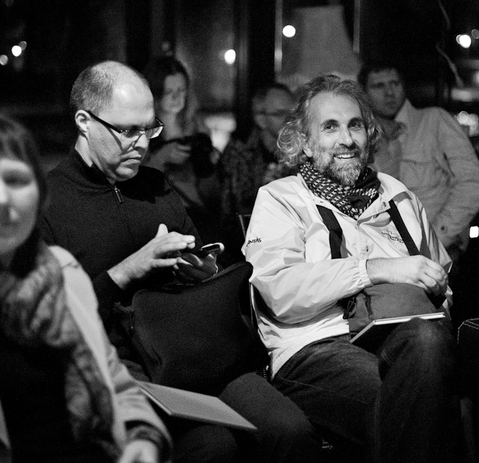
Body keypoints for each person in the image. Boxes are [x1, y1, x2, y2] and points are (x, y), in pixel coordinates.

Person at [40, 60, 322, 463]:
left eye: (149, 129)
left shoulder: (155, 185)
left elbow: (202, 261)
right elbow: (51, 321)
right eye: (128, 131)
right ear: (84, 122)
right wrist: (125, 272)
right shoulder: (50, 202)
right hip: (119, 362)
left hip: (194, 348)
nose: (142, 144)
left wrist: (204, 271)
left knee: (289, 431)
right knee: (213, 447)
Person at [0, 112, 170, 462]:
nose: (1, 200)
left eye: (17, 180)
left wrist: (142, 437)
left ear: (39, 194)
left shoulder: (62, 272)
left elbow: (115, 382)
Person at [242, 74, 461, 462]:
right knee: (415, 402)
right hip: (316, 346)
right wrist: (374, 269)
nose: (347, 139)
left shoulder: (398, 195)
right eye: (330, 127)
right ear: (305, 141)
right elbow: (279, 293)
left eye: (355, 125)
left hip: (403, 335)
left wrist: (433, 292)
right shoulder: (281, 198)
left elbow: (442, 282)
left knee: (434, 345)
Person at [358, 62, 479, 261]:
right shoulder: (362, 138)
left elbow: (471, 182)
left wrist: (437, 237)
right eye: (379, 86)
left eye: (395, 84)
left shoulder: (434, 120)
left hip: (437, 250)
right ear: (364, 94)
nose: (389, 93)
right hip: (387, 253)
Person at [142, 55, 223, 250]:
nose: (176, 98)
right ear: (154, 93)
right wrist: (161, 157)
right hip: (156, 217)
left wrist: (207, 165)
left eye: (181, 90)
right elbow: (133, 183)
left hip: (194, 215)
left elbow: (210, 193)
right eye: (168, 91)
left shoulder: (197, 127)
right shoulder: (142, 129)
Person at [217, 83, 295, 263]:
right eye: (280, 114)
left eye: (293, 113)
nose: (290, 120)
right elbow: (233, 212)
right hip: (246, 250)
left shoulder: (303, 152)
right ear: (260, 119)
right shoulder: (240, 152)